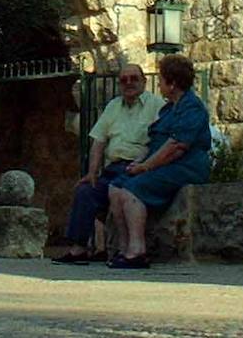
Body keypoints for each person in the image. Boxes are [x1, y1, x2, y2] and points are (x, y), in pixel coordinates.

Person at [106, 53, 211, 269]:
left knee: (132, 190)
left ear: (172, 84)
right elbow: (153, 142)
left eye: (162, 80)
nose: (160, 85)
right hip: (162, 164)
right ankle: (123, 248)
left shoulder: (192, 107)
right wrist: (137, 163)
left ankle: (137, 251)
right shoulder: (167, 109)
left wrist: (145, 167)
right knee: (115, 187)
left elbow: (176, 147)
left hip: (185, 167)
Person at [51, 62, 163, 265]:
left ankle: (127, 250)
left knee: (118, 189)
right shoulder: (113, 106)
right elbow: (98, 141)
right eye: (124, 80)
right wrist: (92, 172)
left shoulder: (156, 105)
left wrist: (143, 164)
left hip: (136, 168)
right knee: (85, 190)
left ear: (144, 81)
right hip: (113, 168)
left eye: (134, 78)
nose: (129, 83)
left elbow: (158, 142)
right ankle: (79, 249)